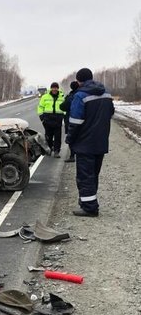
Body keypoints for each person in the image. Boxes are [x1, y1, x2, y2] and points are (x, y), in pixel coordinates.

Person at [66, 67, 114, 217]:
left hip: (85, 143)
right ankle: (89, 202)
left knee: (85, 176)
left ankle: (89, 208)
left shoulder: (80, 96)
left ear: (79, 81)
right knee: (93, 174)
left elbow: (75, 121)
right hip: (101, 141)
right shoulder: (105, 93)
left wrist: (70, 139)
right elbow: (111, 112)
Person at [37, 82, 65, 157]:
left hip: (58, 120)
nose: (54, 89)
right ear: (51, 88)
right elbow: (40, 107)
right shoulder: (45, 97)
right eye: (53, 87)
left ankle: (56, 151)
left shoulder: (62, 97)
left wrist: (63, 116)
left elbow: (65, 108)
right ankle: (49, 149)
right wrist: (42, 117)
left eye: (56, 88)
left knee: (58, 137)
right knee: (48, 136)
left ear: (58, 88)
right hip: (47, 119)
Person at [59, 81, 80, 162]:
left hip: (71, 120)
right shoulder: (83, 94)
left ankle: (72, 156)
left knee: (71, 138)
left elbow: (62, 106)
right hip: (83, 121)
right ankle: (80, 154)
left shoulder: (70, 96)